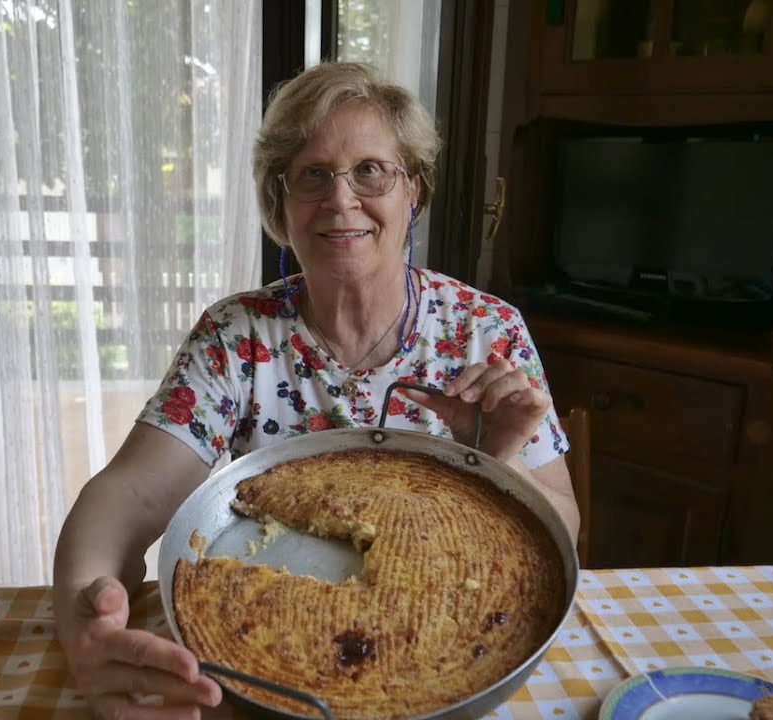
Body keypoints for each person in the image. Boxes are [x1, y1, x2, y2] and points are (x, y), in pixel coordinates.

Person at [52, 61, 579, 720]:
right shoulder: (236, 334)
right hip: (265, 665)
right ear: (283, 203)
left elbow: (560, 527)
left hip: (460, 657)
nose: (340, 199)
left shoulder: (487, 332)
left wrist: (499, 463)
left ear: (413, 190)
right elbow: (129, 494)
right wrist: (87, 624)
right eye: (312, 174)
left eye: (371, 170)